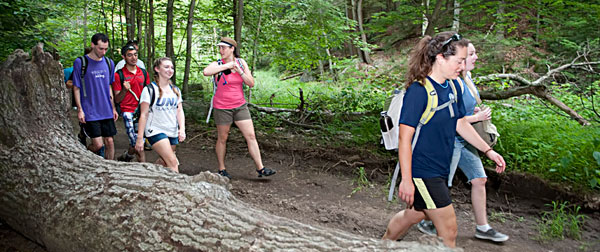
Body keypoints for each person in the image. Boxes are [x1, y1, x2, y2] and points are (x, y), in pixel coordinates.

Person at [381, 32, 506, 248]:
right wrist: (407, 180)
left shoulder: (454, 86)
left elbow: (460, 123)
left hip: (441, 167)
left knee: (415, 215)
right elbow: (404, 138)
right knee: (449, 230)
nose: (463, 65)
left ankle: (382, 245)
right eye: (459, 61)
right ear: (440, 58)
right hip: (423, 170)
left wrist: (488, 151)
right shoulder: (418, 92)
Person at [417, 42, 509, 242]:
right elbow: (451, 121)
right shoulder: (450, 82)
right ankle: (425, 219)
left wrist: (473, 113)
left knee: (479, 179)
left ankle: (482, 227)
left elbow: (462, 111)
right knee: (441, 186)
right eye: (472, 54)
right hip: (451, 141)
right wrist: (477, 118)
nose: (476, 57)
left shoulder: (466, 79)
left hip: (465, 140)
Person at [202, 37, 276, 179]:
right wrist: (227, 66)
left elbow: (251, 83)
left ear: (232, 49)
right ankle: (222, 169)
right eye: (220, 48)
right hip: (222, 107)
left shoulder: (241, 63)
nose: (221, 50)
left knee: (251, 136)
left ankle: (260, 168)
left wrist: (239, 71)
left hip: (240, 105)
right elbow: (206, 72)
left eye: (224, 47)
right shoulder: (218, 64)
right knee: (223, 138)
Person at [135, 57, 185, 173]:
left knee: (164, 161)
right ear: (157, 69)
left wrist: (181, 129)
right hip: (155, 130)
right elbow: (143, 114)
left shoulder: (175, 90)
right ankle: (179, 189)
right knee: (173, 162)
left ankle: (149, 176)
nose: (170, 70)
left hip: (171, 130)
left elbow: (179, 110)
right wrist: (139, 138)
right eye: (166, 67)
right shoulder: (149, 90)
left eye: (172, 67)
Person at [72, 33, 118, 159]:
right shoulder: (81, 62)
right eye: (101, 48)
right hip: (90, 110)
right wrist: (80, 110)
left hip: (106, 109)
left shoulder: (109, 63)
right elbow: (76, 87)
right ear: (93, 45)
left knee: (110, 142)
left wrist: (113, 108)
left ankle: (110, 169)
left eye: (106, 49)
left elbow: (109, 86)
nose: (103, 52)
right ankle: (84, 157)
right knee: (98, 145)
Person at [113, 45, 150, 163]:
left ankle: (126, 157)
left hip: (142, 112)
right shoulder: (119, 75)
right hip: (127, 112)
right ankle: (144, 170)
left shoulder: (143, 73)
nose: (133, 58)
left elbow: (148, 93)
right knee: (138, 145)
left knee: (138, 143)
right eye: (130, 55)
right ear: (124, 57)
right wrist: (124, 90)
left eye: (135, 55)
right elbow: (117, 99)